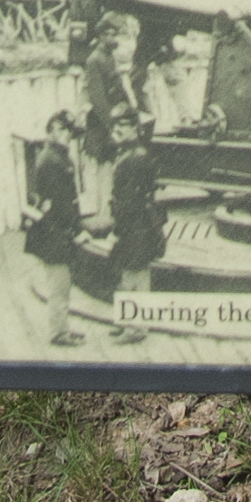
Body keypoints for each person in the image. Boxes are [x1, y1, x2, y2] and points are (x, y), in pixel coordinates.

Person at [22, 109, 84, 346]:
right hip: (55, 233)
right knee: (59, 285)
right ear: (54, 130)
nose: (70, 136)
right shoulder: (52, 160)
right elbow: (60, 203)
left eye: (71, 132)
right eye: (66, 131)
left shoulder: (56, 156)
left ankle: (62, 327)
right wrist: (75, 229)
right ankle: (58, 333)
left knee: (62, 284)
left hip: (57, 231)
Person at [106, 110, 166, 346]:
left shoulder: (136, 158)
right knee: (127, 274)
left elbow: (130, 200)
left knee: (136, 276)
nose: (117, 130)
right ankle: (127, 321)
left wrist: (117, 226)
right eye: (116, 125)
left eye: (123, 125)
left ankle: (137, 328)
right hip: (132, 224)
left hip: (137, 225)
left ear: (135, 129)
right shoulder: (130, 154)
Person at [123, 0, 185, 126]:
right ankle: (147, 115)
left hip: (160, 35)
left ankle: (187, 116)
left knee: (173, 77)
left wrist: (169, 35)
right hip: (146, 36)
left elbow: (172, 6)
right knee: (136, 79)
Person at [81, 14, 132, 223]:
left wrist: (128, 108)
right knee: (98, 169)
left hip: (111, 122)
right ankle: (98, 214)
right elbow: (97, 97)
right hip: (100, 124)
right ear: (101, 36)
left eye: (114, 34)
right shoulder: (95, 60)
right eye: (109, 34)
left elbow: (118, 88)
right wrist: (112, 125)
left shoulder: (109, 57)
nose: (113, 38)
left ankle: (106, 213)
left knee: (108, 169)